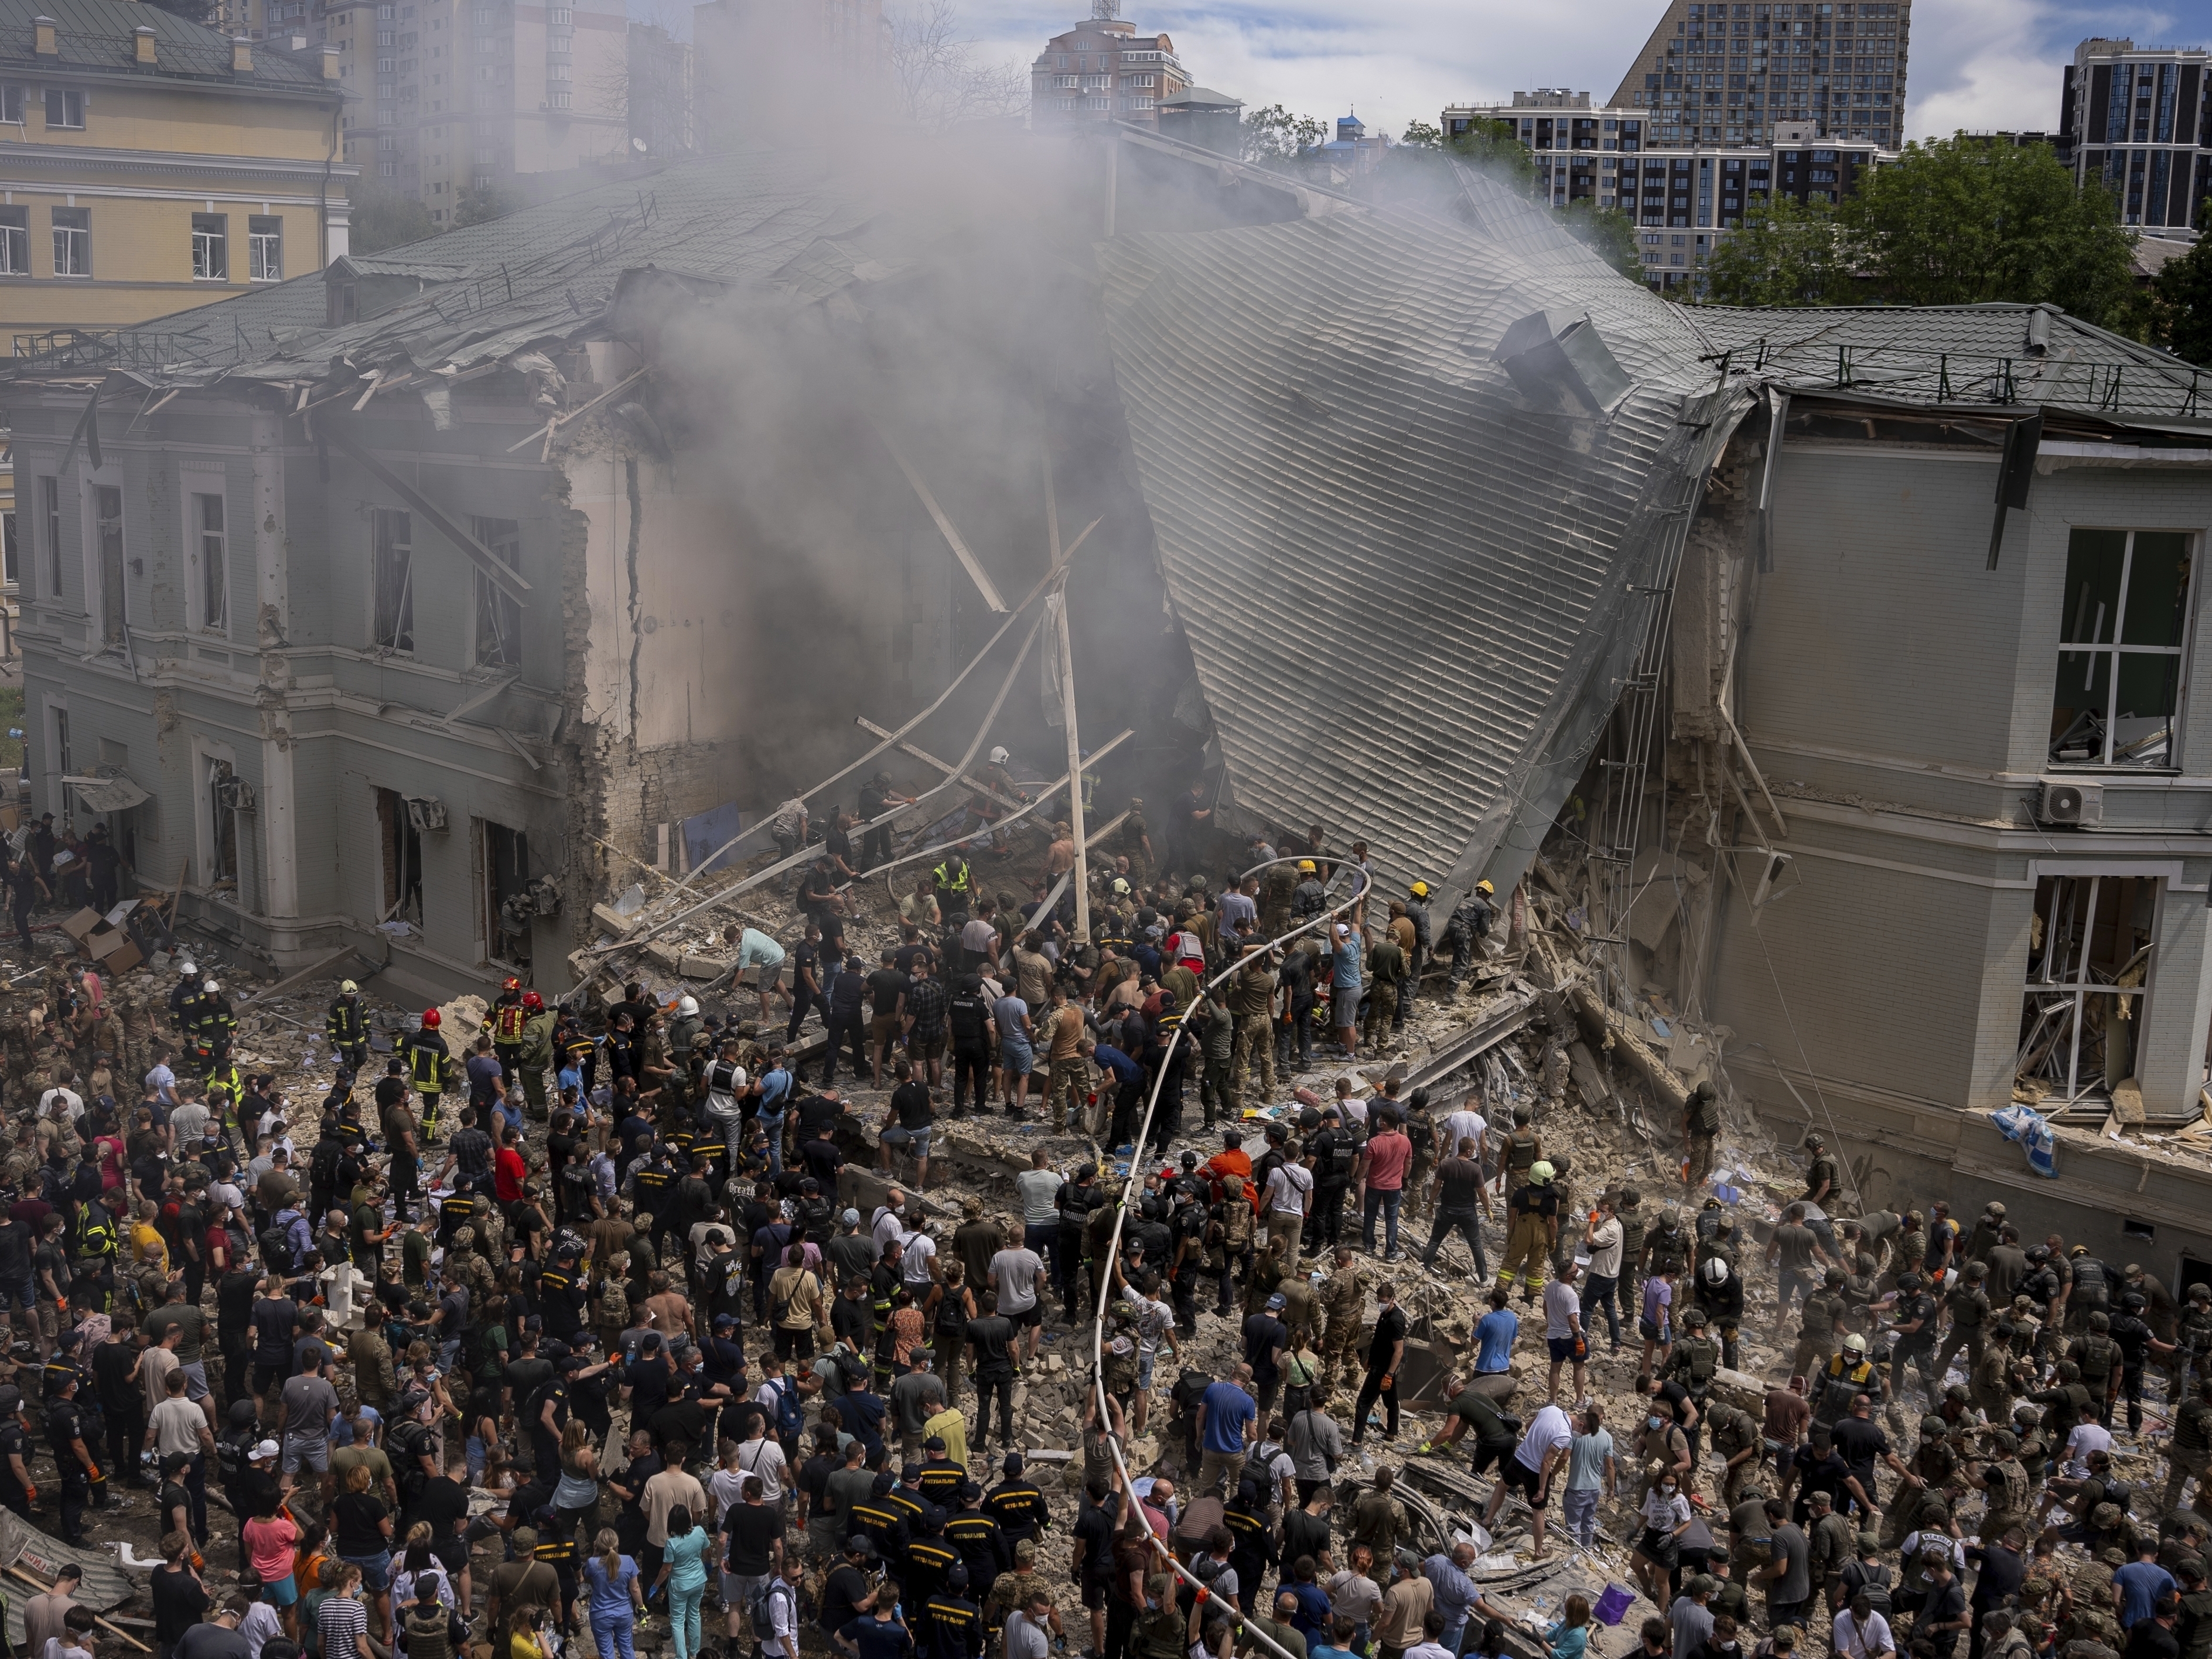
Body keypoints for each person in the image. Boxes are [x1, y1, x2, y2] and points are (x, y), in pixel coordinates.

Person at [651, 1505, 711, 1659]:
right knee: (694, 1615)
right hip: (698, 1580)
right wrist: (708, 1565)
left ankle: (681, 1656)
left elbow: (666, 1569)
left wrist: (656, 1585)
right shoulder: (699, 1532)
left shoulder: (672, 1544)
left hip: (680, 1586)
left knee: (677, 1622)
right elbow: (707, 1551)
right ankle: (695, 1652)